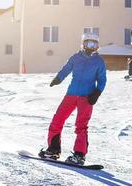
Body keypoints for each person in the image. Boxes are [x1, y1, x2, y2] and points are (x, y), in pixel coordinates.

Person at [39, 33, 107, 165]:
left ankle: (79, 155)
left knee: (81, 125)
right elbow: (66, 69)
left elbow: (102, 79)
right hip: (71, 94)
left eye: (93, 44)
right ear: (83, 44)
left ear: (97, 46)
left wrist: (97, 92)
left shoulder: (99, 61)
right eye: (88, 43)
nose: (90, 46)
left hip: (86, 97)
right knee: (57, 120)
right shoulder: (76, 58)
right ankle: (53, 150)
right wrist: (58, 79)